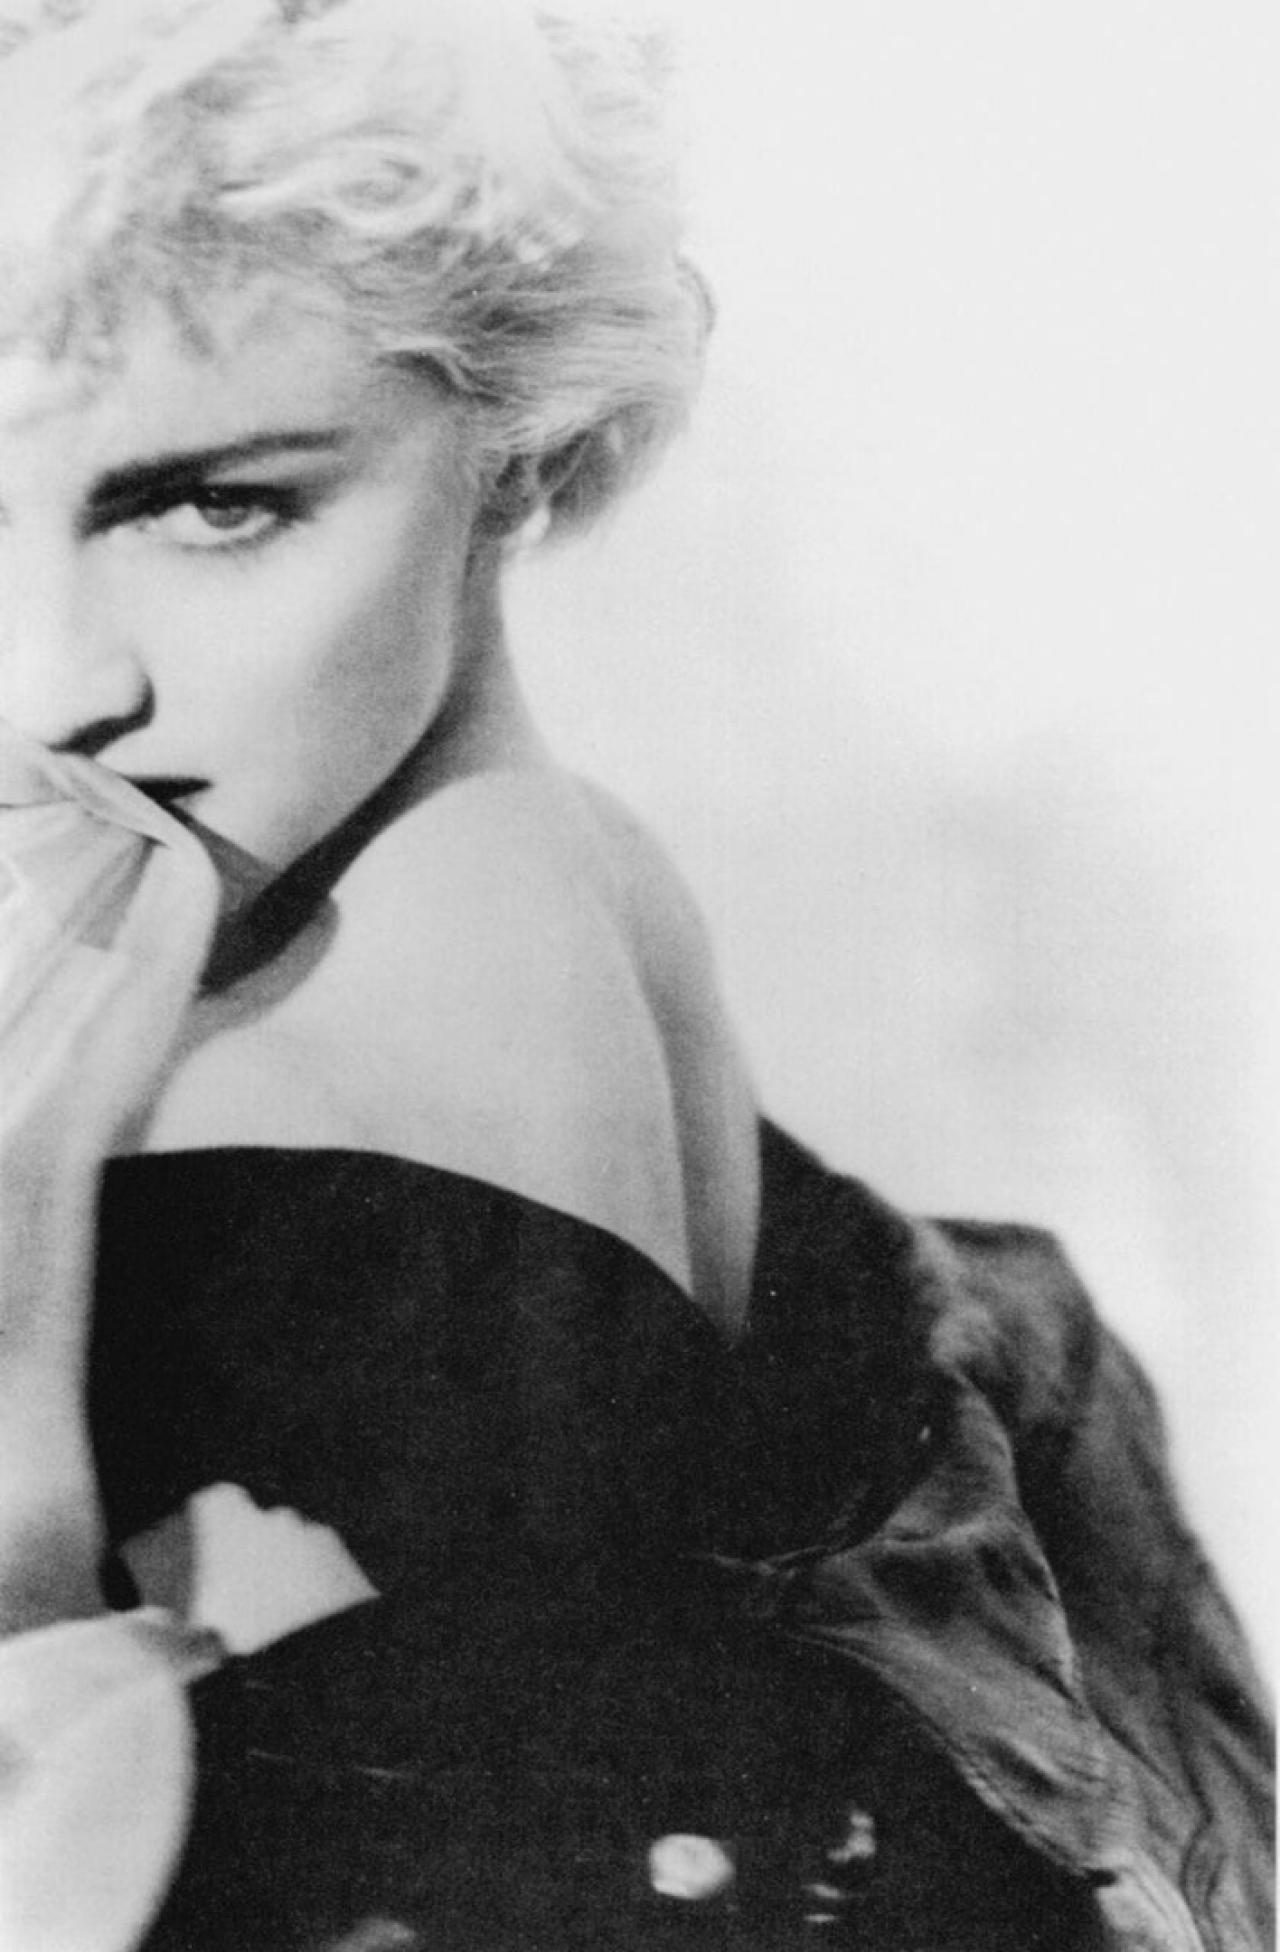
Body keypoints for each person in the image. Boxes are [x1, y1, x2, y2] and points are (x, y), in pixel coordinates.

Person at [0, 1, 1269, 1948]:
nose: (56, 683)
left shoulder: (368, 1028)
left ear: (520, 432)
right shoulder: (527, 866)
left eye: (215, 504)